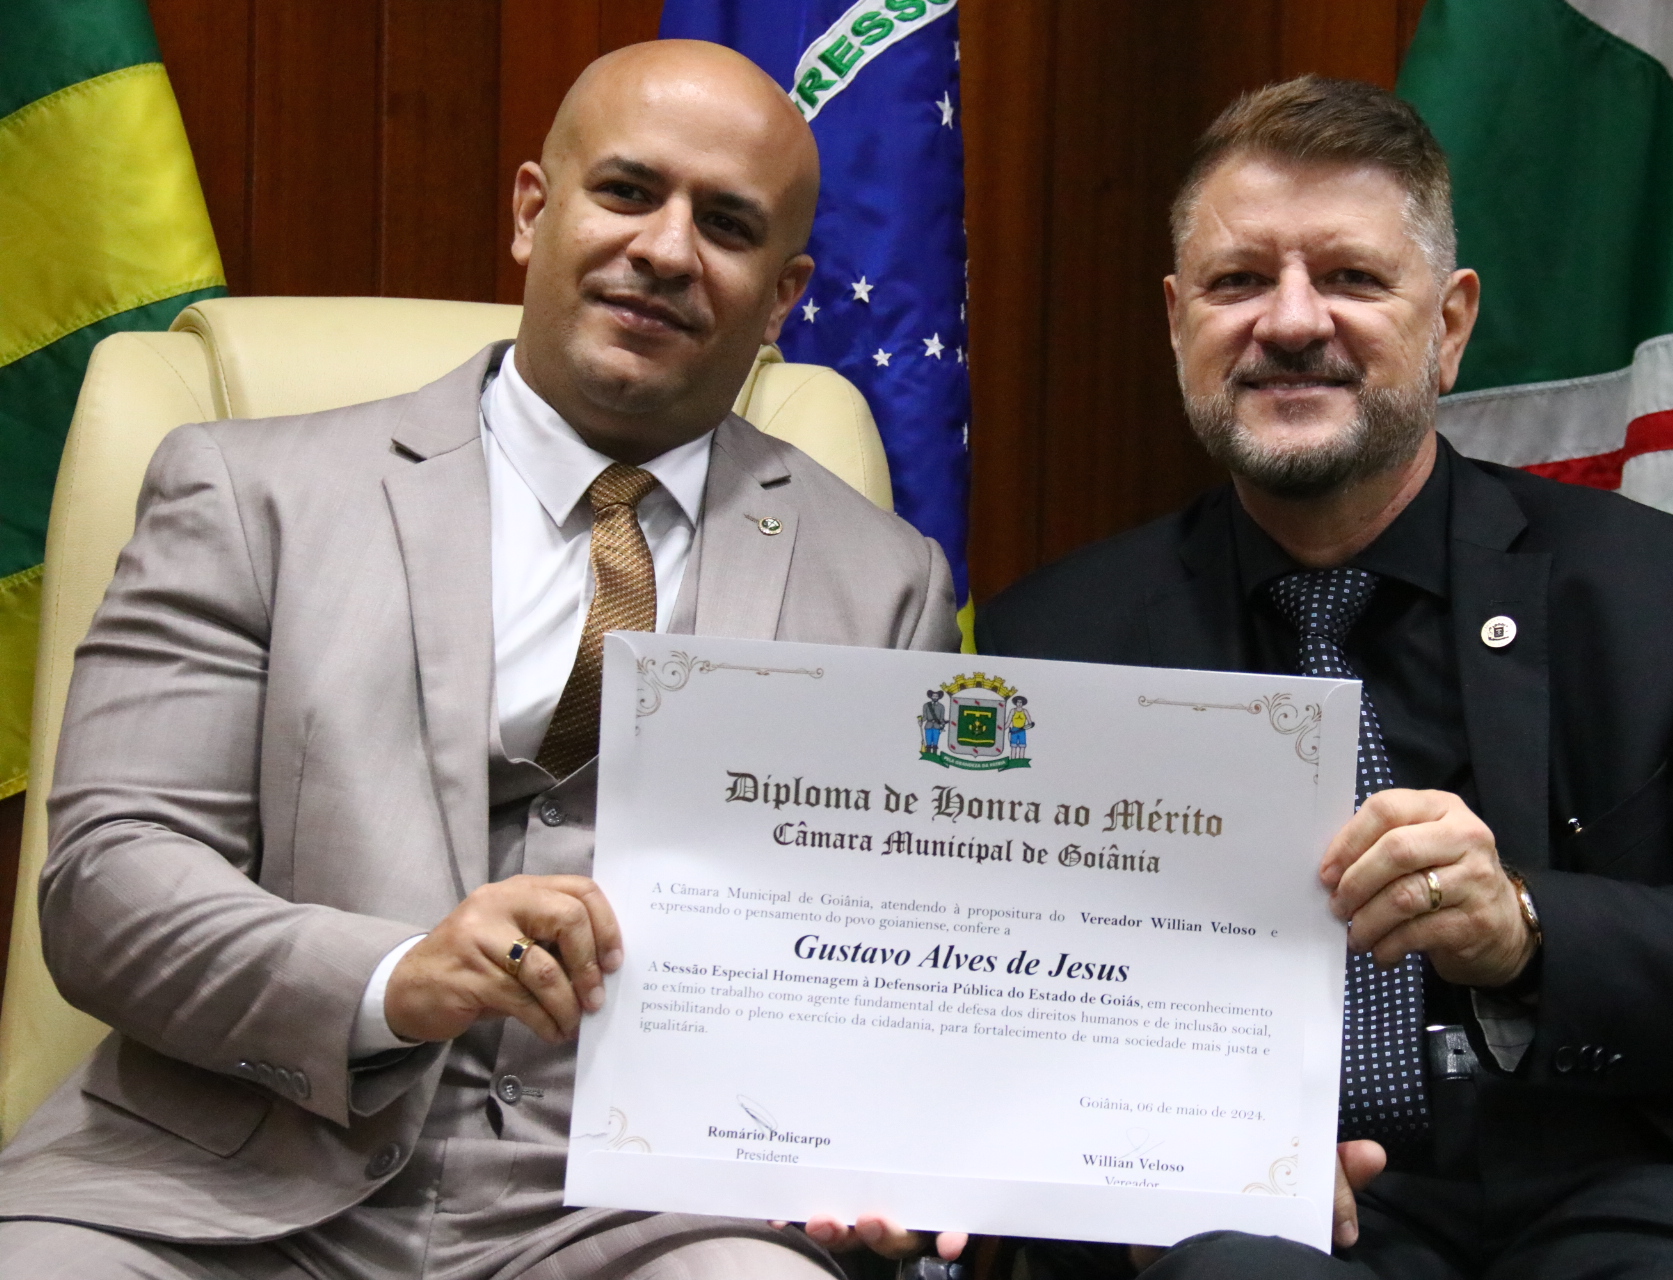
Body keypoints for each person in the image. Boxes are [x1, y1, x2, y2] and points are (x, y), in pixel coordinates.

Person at [0, 41, 961, 1279]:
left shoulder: (886, 583)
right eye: (627, 191)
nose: (667, 249)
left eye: (726, 225)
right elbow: (108, 884)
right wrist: (395, 977)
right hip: (219, 1180)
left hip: (642, 1214)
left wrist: (885, 1144)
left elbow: (882, 965)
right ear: (530, 211)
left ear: (782, 297)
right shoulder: (247, 492)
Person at [977, 76, 1673, 1279]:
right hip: (1271, 1215)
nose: (1290, 321)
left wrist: (1529, 927)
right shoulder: (1056, 642)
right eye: (1239, 280)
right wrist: (1164, 1149)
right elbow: (1004, 1013)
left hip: (1627, 1182)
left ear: (1451, 324)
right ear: (1175, 320)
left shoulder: (1665, 597)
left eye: (1352, 278)